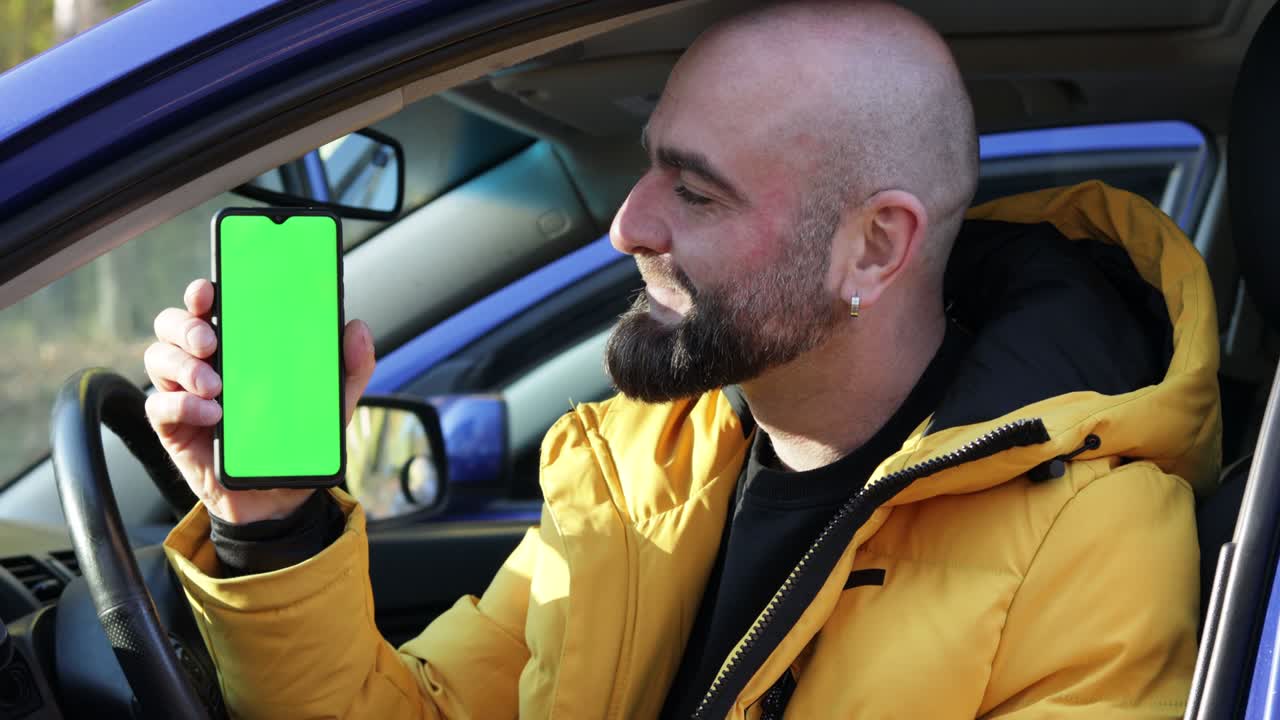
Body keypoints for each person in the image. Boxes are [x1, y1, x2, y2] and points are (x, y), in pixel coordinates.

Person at [147, 1, 1220, 717]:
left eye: (694, 190)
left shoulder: (1093, 548)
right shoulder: (636, 466)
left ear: (871, 249)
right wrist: (272, 524)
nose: (626, 225)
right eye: (648, 166)